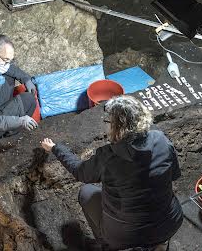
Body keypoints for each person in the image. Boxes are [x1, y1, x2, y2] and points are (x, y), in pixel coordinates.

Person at [41, 96, 183, 251]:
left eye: (109, 122)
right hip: (169, 222)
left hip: (126, 237)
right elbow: (174, 175)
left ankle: (107, 245)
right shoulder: (161, 139)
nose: (107, 126)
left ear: (118, 127)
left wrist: (56, 148)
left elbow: (80, 172)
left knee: (86, 192)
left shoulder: (108, 156)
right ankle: (159, 245)